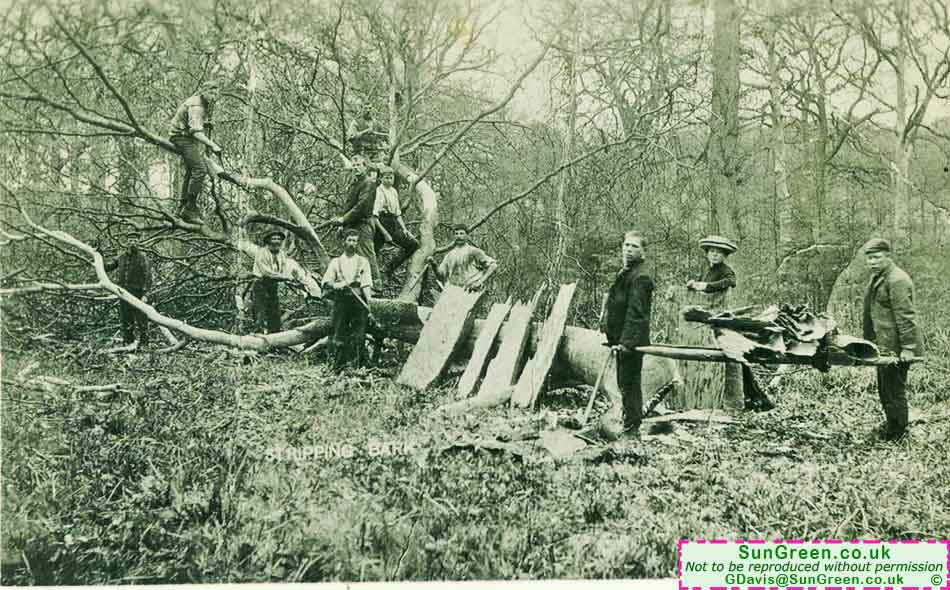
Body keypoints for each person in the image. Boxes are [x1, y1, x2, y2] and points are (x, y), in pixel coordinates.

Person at [862, 237, 922, 441]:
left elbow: (906, 317)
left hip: (896, 347)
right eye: (869, 258)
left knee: (894, 391)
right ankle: (892, 425)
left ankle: (898, 434)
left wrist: (908, 348)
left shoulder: (898, 280)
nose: (872, 262)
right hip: (883, 345)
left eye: (877, 258)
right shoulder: (878, 277)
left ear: (888, 257)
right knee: (885, 389)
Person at [599, 231, 654, 438]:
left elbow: (636, 314)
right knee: (624, 382)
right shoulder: (626, 272)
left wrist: (626, 343)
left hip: (632, 342)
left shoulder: (641, 277)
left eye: (635, 247)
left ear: (643, 252)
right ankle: (629, 422)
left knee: (630, 383)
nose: (629, 250)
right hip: (621, 339)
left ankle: (632, 428)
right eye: (627, 245)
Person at [169, 80, 224, 224]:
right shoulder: (197, 106)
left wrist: (205, 124)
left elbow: (191, 122)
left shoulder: (202, 103)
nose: (213, 96)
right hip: (181, 138)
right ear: (203, 92)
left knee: (191, 172)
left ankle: (181, 207)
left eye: (215, 93)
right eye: (210, 93)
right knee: (200, 170)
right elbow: (196, 132)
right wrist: (213, 145)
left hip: (186, 135)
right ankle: (189, 208)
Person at [323, 230, 374, 369]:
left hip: (358, 301)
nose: (352, 243)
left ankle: (356, 365)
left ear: (357, 243)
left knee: (359, 333)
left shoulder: (363, 261)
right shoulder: (336, 262)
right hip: (341, 300)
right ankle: (338, 365)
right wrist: (337, 285)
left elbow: (366, 284)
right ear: (343, 241)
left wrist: (369, 305)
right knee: (339, 331)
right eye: (349, 240)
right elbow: (326, 281)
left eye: (355, 241)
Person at [333, 164, 382, 288]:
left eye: (358, 165)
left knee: (366, 253)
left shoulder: (369, 183)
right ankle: (353, 283)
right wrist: (342, 224)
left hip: (363, 224)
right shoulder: (355, 183)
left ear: (365, 167)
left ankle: (376, 287)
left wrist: (344, 219)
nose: (355, 167)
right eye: (353, 165)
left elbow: (361, 206)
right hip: (352, 224)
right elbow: (349, 205)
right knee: (351, 254)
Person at [104, 231, 153, 347]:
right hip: (123, 293)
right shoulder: (121, 257)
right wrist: (97, 256)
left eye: (135, 240)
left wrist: (146, 295)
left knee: (142, 320)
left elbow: (148, 277)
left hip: (138, 294)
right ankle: (127, 343)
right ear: (126, 242)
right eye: (130, 240)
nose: (133, 243)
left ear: (139, 242)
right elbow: (108, 267)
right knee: (126, 319)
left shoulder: (143, 258)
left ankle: (144, 345)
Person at [373, 166, 419, 274]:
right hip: (381, 224)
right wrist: (384, 233)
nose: (389, 180)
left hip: (393, 223)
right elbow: (374, 215)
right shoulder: (379, 191)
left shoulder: (393, 191)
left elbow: (398, 213)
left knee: (413, 245)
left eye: (391, 177)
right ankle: (371, 278)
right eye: (387, 178)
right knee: (373, 253)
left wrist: (404, 229)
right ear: (381, 178)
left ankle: (389, 268)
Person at [427, 224, 498, 291]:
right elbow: (441, 276)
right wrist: (434, 264)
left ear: (467, 236)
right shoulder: (449, 255)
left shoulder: (474, 251)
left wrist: (479, 282)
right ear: (454, 236)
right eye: (456, 234)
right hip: (453, 291)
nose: (459, 236)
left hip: (471, 290)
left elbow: (493, 266)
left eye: (461, 233)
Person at [251, 230, 294, 334]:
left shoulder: (281, 254)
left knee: (274, 312)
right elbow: (266, 273)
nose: (276, 241)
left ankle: (274, 338)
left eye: (279, 239)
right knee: (260, 311)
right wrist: (285, 277)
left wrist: (292, 278)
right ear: (268, 241)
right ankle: (257, 337)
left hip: (273, 285)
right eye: (274, 239)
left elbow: (284, 269)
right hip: (261, 284)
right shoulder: (261, 253)